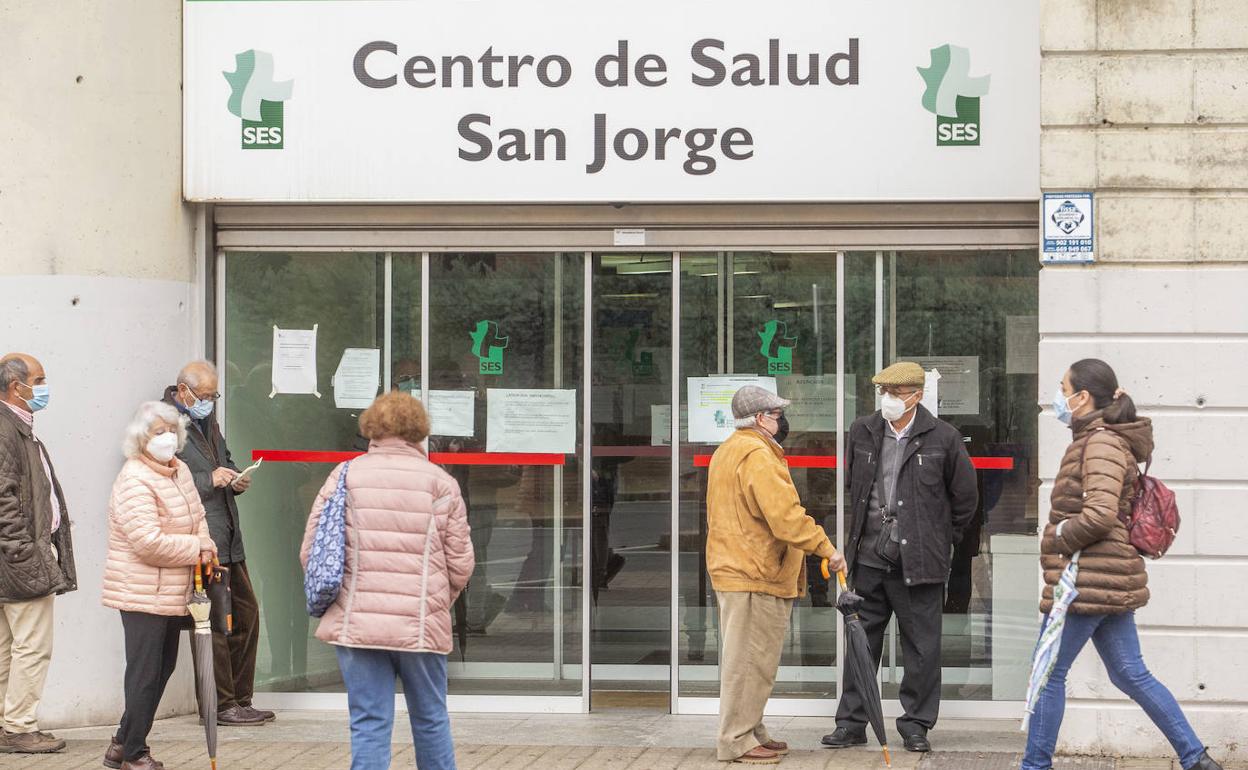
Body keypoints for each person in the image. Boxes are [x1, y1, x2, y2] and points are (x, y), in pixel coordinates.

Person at [1021, 359, 1222, 770]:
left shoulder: (1100, 442)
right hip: (1108, 577)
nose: (1057, 399)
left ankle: (1034, 766)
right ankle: (1195, 758)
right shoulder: (1101, 440)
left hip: (1087, 578)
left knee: (1047, 676)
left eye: (1063, 389)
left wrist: (1056, 536)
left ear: (1083, 397)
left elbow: (1099, 514)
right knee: (1131, 674)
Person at [301, 391, 473, 770]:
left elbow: (313, 550)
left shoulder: (345, 475)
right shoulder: (440, 483)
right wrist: (436, 600)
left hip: (357, 621)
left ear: (371, 429)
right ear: (419, 430)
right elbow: (461, 563)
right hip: (420, 622)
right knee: (430, 718)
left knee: (369, 722)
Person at [823, 361, 977, 753]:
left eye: (896, 393)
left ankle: (916, 724)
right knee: (861, 643)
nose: (888, 400)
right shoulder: (864, 430)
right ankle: (852, 722)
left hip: (920, 562)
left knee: (923, 648)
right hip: (870, 558)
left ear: (917, 395)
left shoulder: (943, 437)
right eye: (884, 393)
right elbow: (854, 487)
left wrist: (940, 540)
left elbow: (965, 500)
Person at [706, 385, 844, 765]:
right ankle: (737, 739)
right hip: (754, 571)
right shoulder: (757, 455)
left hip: (740, 566)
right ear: (760, 419)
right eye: (777, 415)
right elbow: (785, 518)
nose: (781, 421)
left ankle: (751, 729)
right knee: (751, 661)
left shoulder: (730, 450)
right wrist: (826, 548)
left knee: (752, 660)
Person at [101, 402, 216, 770]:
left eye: (171, 430)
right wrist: (196, 548)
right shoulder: (134, 478)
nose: (167, 437)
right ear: (141, 438)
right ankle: (134, 753)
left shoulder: (178, 470)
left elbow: (198, 517)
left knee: (160, 670)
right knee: (144, 674)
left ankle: (121, 742)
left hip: (172, 591)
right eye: (157, 431)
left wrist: (206, 543)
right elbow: (147, 542)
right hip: (141, 593)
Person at [161, 360, 271, 726]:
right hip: (202, 540)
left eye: (213, 395)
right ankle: (223, 705)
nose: (209, 402)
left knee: (247, 613)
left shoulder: (208, 422)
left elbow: (224, 462)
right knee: (215, 623)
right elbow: (165, 478)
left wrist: (235, 477)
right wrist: (211, 479)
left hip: (227, 535)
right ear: (182, 391)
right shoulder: (164, 424)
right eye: (204, 396)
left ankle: (241, 697)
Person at [0, 354, 77, 754]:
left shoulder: (19, 428)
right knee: (31, 645)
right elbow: (3, 501)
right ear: (17, 387)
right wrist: (25, 554)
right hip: (18, 560)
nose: (44, 387)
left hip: (13, 558)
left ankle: (8, 724)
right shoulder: (5, 429)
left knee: (8, 646)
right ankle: (18, 727)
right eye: (39, 379)